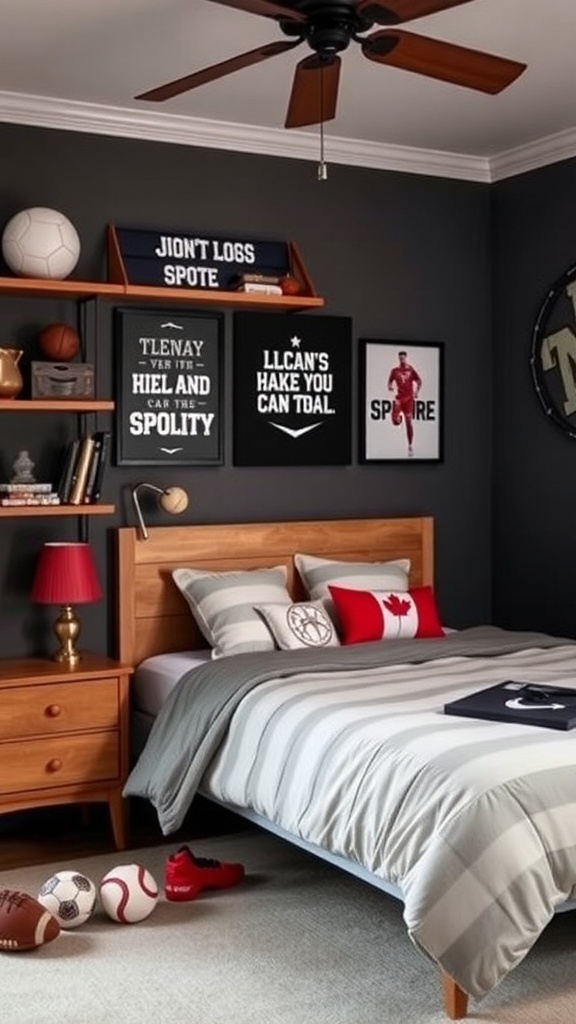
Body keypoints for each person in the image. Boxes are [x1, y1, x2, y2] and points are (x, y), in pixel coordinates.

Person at [387, 351, 422, 456]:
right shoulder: (395, 371)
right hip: (399, 398)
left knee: (408, 422)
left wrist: (416, 392)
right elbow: (389, 381)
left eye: (403, 358)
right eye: (400, 358)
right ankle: (398, 419)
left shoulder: (411, 370)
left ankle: (410, 445)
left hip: (409, 399)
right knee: (394, 420)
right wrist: (389, 386)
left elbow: (419, 381)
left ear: (406, 358)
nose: (402, 360)